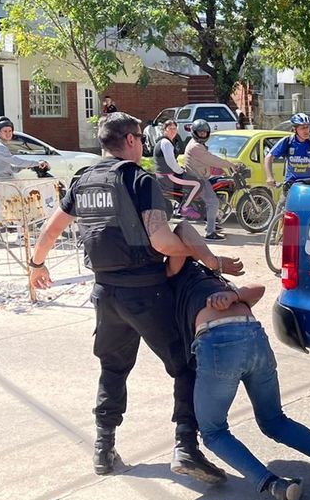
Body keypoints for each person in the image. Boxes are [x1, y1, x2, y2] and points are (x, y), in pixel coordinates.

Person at [28, 112, 242, 480]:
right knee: (185, 365)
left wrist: (36, 265)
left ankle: (103, 448)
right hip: (147, 291)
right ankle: (186, 447)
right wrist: (201, 252)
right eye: (140, 137)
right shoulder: (140, 180)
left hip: (104, 293)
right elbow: (160, 239)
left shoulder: (84, 179)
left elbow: (51, 230)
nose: (143, 143)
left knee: (112, 368)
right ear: (129, 140)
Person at [165, 228, 310, 500]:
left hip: (219, 342)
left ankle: (272, 484)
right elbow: (184, 233)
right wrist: (218, 273)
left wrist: (233, 293)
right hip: (253, 338)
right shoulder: (175, 272)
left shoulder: (205, 271)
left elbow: (256, 288)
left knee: (213, 431)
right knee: (274, 421)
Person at [183, 118, 239, 241]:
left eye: (204, 132)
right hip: (199, 179)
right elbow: (212, 160)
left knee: (216, 190)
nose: (203, 134)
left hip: (200, 176)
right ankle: (210, 233)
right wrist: (231, 164)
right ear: (194, 132)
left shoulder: (197, 144)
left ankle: (212, 223)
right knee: (213, 202)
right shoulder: (196, 146)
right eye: (200, 132)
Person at [263, 113, 310, 190]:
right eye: (302, 128)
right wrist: (269, 177)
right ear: (295, 130)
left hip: (309, 184)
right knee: (283, 202)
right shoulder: (287, 141)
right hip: (291, 184)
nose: (306, 130)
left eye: (307, 127)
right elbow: (268, 157)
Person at [153, 119, 204, 219]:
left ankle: (179, 204)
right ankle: (185, 208)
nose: (172, 130)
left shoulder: (163, 141)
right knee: (198, 183)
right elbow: (171, 163)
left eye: (174, 128)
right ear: (164, 130)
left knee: (191, 180)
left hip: (163, 175)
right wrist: (182, 171)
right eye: (170, 128)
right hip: (168, 176)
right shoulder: (166, 143)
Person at [0, 116, 48, 181]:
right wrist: (36, 163)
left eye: (10, 131)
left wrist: (26, 166)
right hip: (2, 181)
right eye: (5, 131)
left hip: (5, 179)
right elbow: (14, 161)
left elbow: (11, 168)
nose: (8, 134)